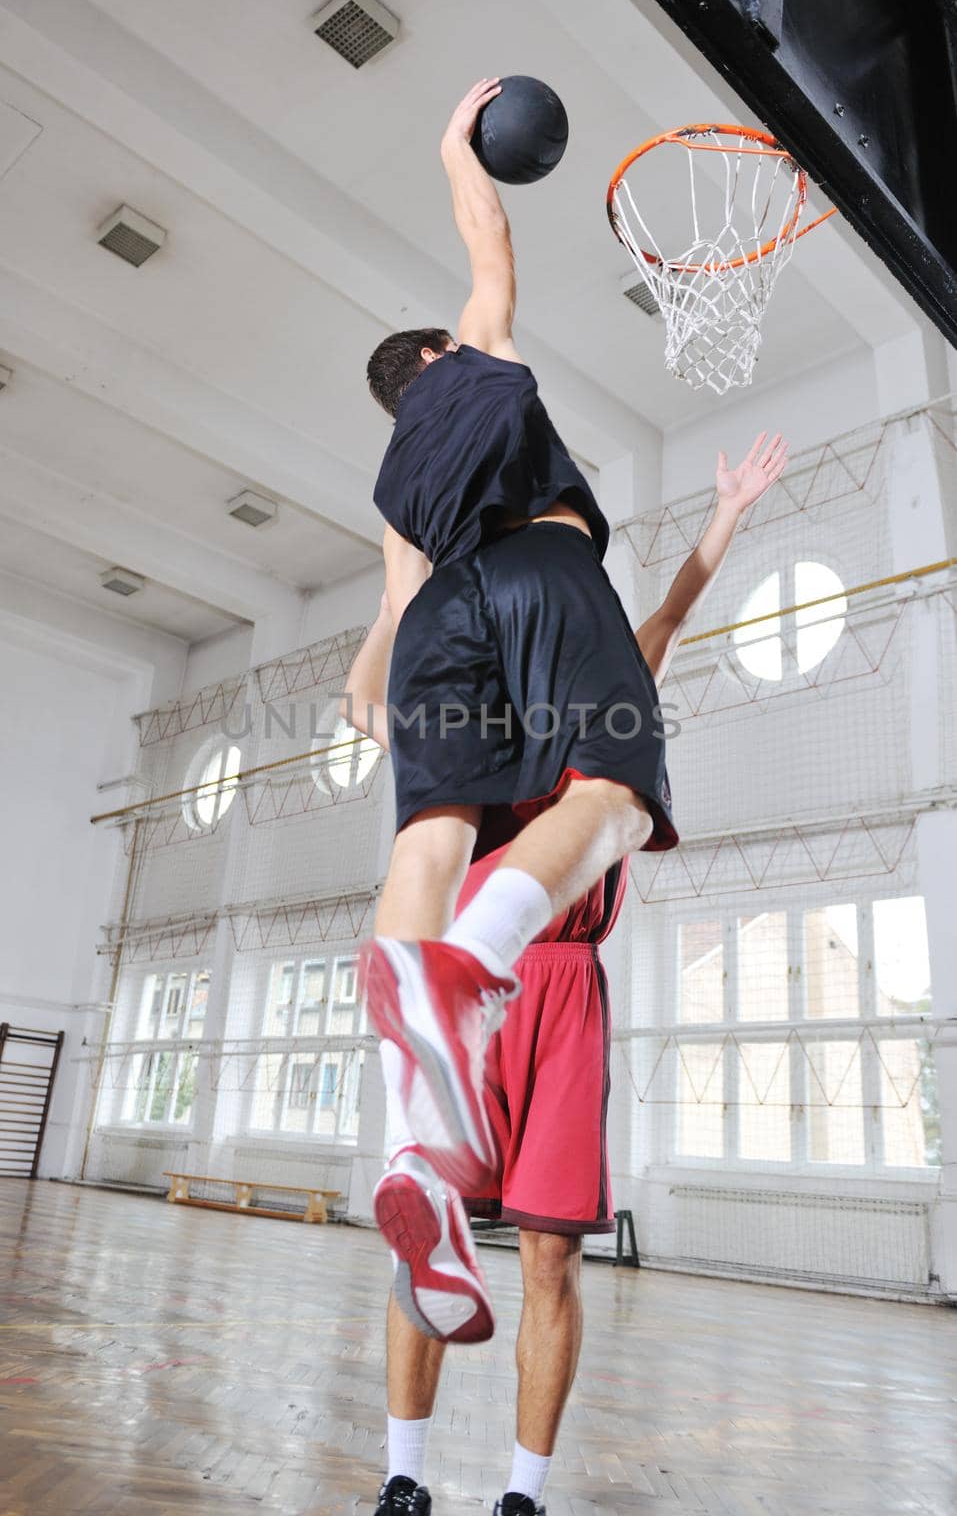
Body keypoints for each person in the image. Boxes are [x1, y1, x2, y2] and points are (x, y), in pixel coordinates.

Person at [341, 439, 788, 1516]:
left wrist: (723, 520)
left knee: (550, 1261)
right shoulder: (456, 715)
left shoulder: (604, 699)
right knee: (429, 1239)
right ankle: (403, 1477)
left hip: (565, 993)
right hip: (470, 988)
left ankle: (522, 1493)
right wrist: (399, 570)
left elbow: (668, 621)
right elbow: (370, 686)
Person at [361, 76, 786, 1204]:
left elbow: (392, 619)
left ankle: (412, 1121)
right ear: (440, 355)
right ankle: (472, 962)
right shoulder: (474, 373)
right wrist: (455, 144)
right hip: (539, 576)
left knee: (432, 830)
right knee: (617, 794)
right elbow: (487, 234)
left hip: (439, 626)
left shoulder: (395, 486)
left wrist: (382, 700)